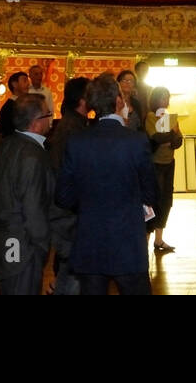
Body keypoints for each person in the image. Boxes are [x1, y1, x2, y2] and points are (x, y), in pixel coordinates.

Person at [55, 73, 158, 295]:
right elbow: (151, 192)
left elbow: (63, 196)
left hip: (90, 240)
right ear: (118, 101)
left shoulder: (77, 142)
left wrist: (88, 204)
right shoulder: (136, 141)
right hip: (128, 241)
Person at [0, 94, 53, 294]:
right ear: (36, 123)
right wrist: (41, 245)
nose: (51, 119)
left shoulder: (7, 144)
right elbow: (33, 209)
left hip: (4, 241)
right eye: (48, 115)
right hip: (21, 247)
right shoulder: (33, 155)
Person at [48, 76, 91, 295]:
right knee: (74, 268)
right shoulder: (73, 128)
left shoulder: (74, 123)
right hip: (68, 212)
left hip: (68, 210)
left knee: (69, 267)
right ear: (83, 99)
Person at [146, 85, 184, 253]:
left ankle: (159, 239)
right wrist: (171, 134)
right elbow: (156, 137)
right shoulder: (150, 116)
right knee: (154, 201)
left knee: (166, 201)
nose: (165, 100)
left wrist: (171, 138)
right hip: (155, 163)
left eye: (167, 97)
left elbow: (178, 140)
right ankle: (146, 238)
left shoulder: (170, 117)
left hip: (169, 162)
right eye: (162, 97)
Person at [0, 71, 30, 135]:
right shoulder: (8, 108)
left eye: (28, 81)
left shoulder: (25, 104)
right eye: (25, 81)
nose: (28, 84)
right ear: (14, 84)